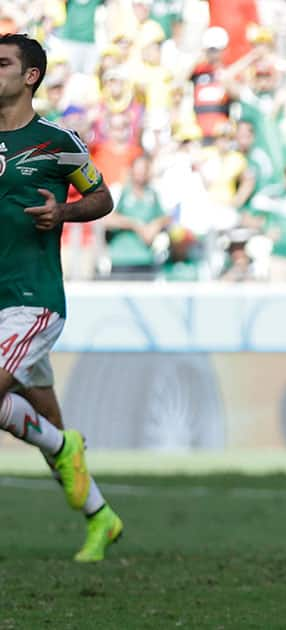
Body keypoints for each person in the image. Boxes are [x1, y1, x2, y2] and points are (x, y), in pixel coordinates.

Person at [0, 33, 123, 561]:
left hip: (32, 299)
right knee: (50, 425)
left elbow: (102, 196)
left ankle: (62, 448)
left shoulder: (57, 142)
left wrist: (63, 214)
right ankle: (102, 517)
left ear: (30, 76)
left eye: (1, 62)